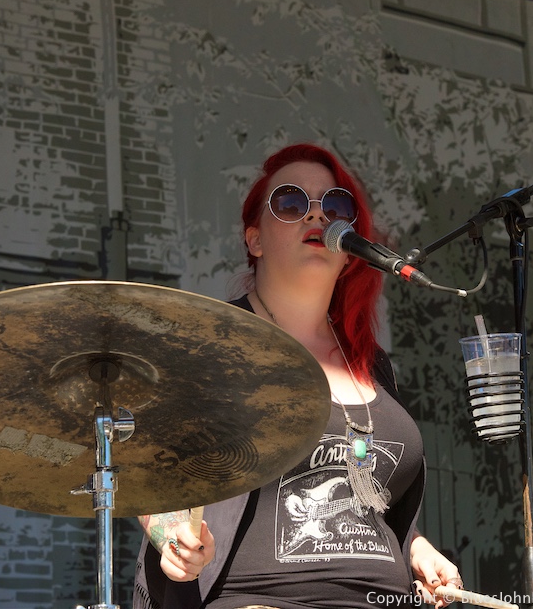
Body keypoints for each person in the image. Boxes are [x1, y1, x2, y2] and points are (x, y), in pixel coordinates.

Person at [134, 143, 461, 609]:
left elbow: (364, 495)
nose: (316, 217)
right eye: (290, 203)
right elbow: (140, 466)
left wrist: (415, 548)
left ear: (350, 249)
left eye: (334, 206)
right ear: (255, 240)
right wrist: (173, 538)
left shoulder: (372, 363)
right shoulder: (211, 342)